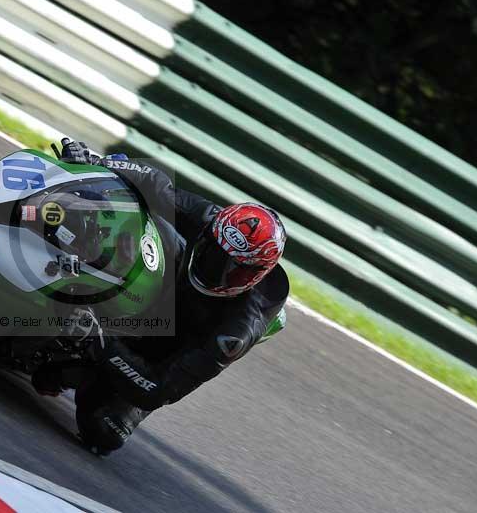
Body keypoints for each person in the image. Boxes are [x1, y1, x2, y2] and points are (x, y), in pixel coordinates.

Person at [32, 139, 290, 455]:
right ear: (212, 233)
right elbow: (154, 183)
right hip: (168, 283)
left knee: (102, 432)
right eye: (213, 254)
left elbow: (159, 389)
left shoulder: (237, 329)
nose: (215, 269)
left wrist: (98, 341)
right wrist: (97, 162)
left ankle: (74, 368)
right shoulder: (210, 220)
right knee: (136, 220)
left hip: (171, 350)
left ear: (253, 277)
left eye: (230, 270)